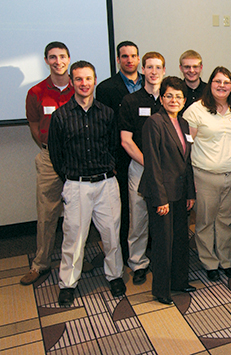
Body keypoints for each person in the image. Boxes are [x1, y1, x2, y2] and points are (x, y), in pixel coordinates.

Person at [49, 61, 125, 306]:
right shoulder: (61, 116)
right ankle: (68, 283)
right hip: (76, 185)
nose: (84, 84)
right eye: (79, 79)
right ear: (72, 82)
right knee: (74, 238)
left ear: (94, 81)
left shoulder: (107, 113)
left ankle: (115, 275)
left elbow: (114, 145)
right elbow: (56, 155)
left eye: (88, 79)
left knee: (112, 234)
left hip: (106, 183)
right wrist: (71, 177)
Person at [21, 42, 75, 286]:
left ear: (69, 58)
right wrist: (46, 144)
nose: (58, 61)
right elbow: (34, 124)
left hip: (77, 157)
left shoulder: (80, 87)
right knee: (46, 213)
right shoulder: (36, 92)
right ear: (46, 60)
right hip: (49, 158)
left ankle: (78, 259)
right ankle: (41, 263)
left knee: (80, 212)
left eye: (62, 56)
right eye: (52, 57)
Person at [139, 76, 196, 305]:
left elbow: (186, 162)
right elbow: (152, 163)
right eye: (169, 95)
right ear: (161, 98)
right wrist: (160, 198)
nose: (174, 100)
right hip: (161, 194)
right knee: (163, 244)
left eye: (179, 96)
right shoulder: (154, 122)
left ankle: (179, 282)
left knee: (180, 240)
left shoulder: (182, 123)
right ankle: (162, 290)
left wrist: (190, 193)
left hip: (180, 193)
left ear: (184, 100)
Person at [182, 67, 231, 282]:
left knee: (226, 221)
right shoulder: (196, 110)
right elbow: (186, 147)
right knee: (205, 222)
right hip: (204, 176)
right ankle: (209, 262)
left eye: (227, 82)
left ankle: (226, 261)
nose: (222, 85)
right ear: (210, 84)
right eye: (217, 81)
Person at [119, 52, 165, 285]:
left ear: (164, 71)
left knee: (163, 217)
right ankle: (138, 263)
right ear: (143, 70)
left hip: (166, 170)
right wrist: (150, 163)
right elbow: (126, 140)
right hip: (140, 167)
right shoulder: (131, 101)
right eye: (149, 67)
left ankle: (161, 260)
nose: (154, 71)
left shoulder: (171, 100)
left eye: (158, 67)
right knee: (138, 218)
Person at [96, 41, 143, 264]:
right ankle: (125, 251)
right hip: (122, 157)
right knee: (126, 205)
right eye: (124, 56)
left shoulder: (151, 84)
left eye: (133, 56)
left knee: (148, 205)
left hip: (148, 153)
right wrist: (110, 159)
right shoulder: (106, 88)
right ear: (118, 60)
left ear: (138, 58)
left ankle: (148, 245)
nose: (129, 60)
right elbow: (104, 127)